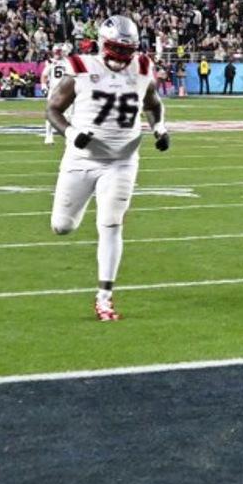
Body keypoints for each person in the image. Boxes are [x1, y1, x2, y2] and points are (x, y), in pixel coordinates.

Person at [45, 16, 170, 321]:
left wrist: (160, 129)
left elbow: (153, 104)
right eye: (115, 48)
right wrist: (72, 133)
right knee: (62, 226)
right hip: (81, 159)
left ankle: (104, 297)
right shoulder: (81, 67)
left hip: (122, 160)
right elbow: (52, 108)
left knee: (111, 224)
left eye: (125, 49)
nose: (120, 56)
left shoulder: (142, 67)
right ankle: (79, 211)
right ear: (102, 44)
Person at [41, 44, 72, 144]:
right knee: (51, 113)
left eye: (59, 52)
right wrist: (44, 86)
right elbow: (44, 76)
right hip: (54, 91)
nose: (58, 54)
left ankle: (68, 137)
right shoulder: (51, 63)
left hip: (66, 90)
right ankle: (48, 136)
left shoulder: (67, 62)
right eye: (57, 52)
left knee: (69, 115)